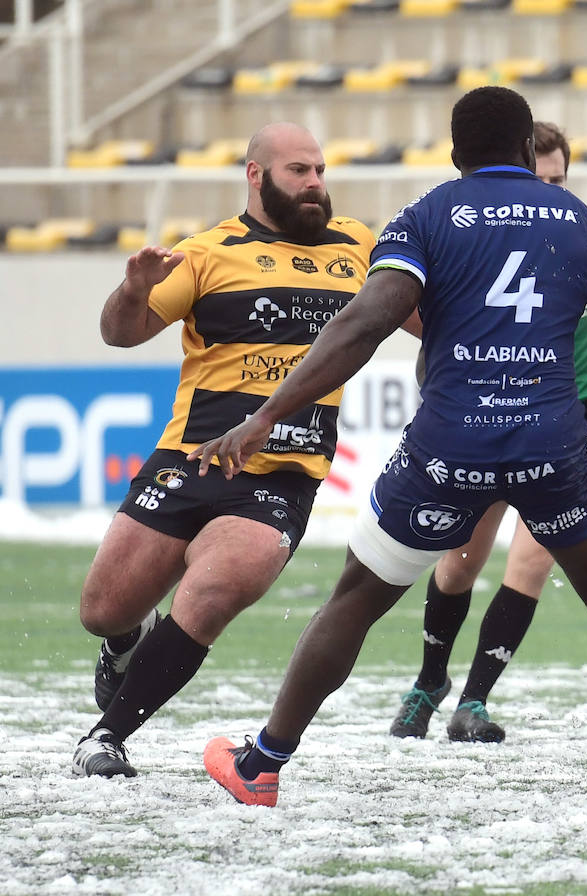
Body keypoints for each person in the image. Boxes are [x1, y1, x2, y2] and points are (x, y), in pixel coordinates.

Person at [195, 86, 587, 808]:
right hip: (551, 440)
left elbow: (363, 324)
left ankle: (264, 763)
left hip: (448, 444)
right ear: (530, 150)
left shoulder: (428, 214)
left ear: (457, 155)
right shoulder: (586, 224)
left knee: (358, 598)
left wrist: (267, 414)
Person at [70, 123, 374, 780]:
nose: (316, 183)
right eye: (299, 171)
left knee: (209, 595)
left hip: (282, 473)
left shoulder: (360, 248)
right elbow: (120, 334)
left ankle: (107, 737)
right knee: (103, 610)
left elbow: (426, 318)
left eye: (320, 169)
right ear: (256, 176)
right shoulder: (208, 252)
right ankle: (126, 642)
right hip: (189, 458)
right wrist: (132, 289)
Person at [388, 120, 587, 745]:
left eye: (560, 180)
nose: (550, 191)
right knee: (459, 565)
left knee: (533, 562)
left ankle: (474, 700)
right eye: (542, 179)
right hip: (483, 415)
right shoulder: (468, 234)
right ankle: (429, 681)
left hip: (566, 425)